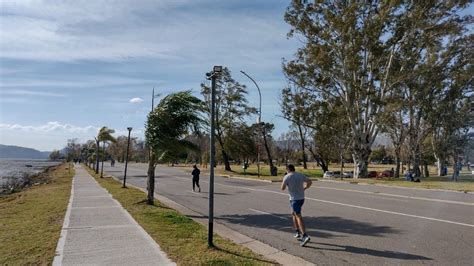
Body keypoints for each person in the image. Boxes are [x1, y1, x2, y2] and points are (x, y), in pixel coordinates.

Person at [281, 164, 312, 247]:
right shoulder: (300, 175)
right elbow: (309, 182)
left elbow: (282, 188)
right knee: (293, 213)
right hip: (301, 199)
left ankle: (305, 235)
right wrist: (305, 187)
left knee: (298, 216)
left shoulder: (287, 177)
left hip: (295, 200)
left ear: (287, 170)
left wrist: (284, 180)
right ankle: (297, 231)